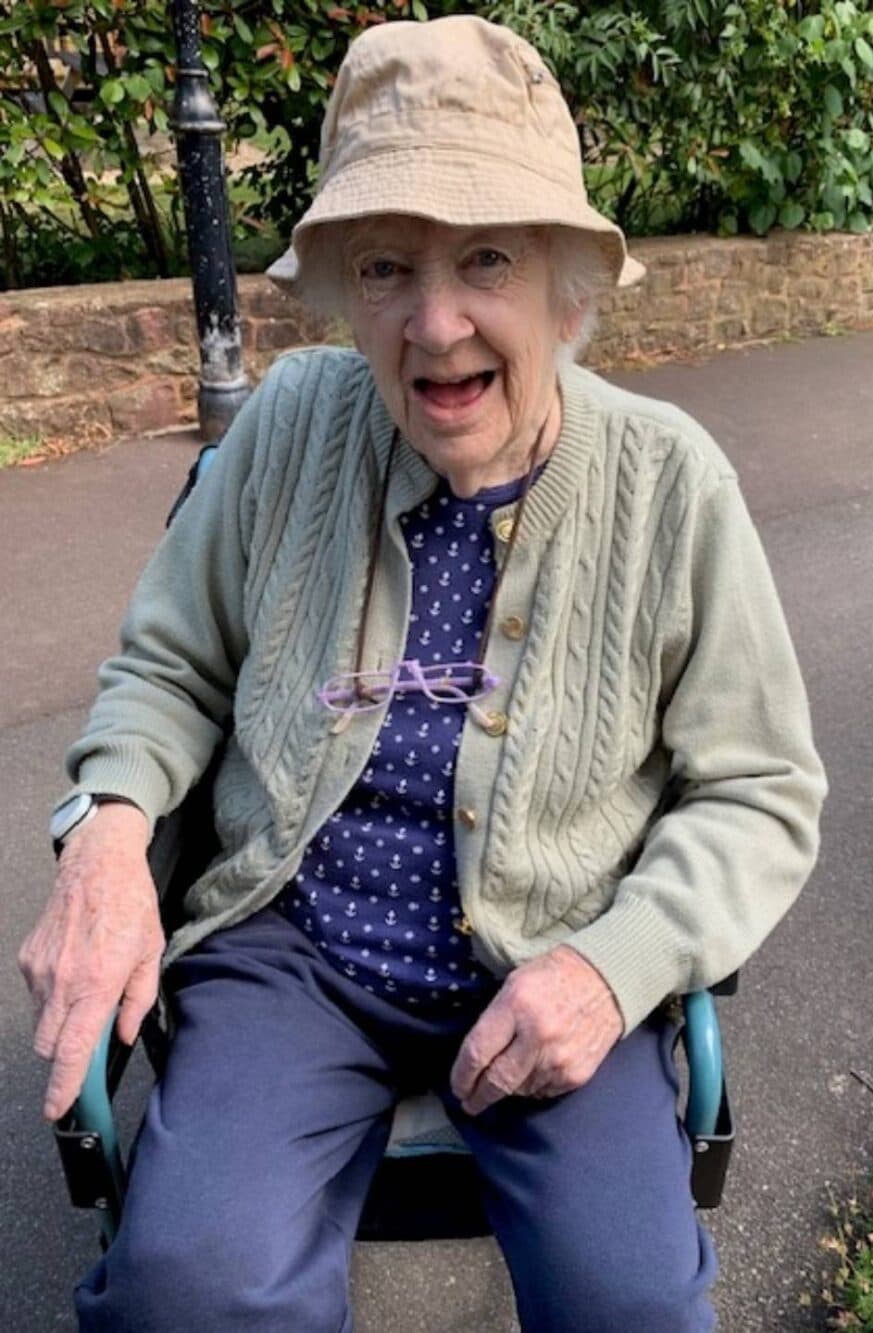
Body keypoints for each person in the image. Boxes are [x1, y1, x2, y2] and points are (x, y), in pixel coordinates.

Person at [19, 15, 826, 1332]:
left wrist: (617, 967)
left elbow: (759, 790)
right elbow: (169, 664)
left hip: (557, 951)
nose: (436, 322)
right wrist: (109, 825)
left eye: (488, 259)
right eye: (387, 265)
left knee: (634, 1303)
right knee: (187, 1287)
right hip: (297, 950)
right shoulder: (286, 428)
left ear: (567, 282)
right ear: (344, 287)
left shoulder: (672, 482)